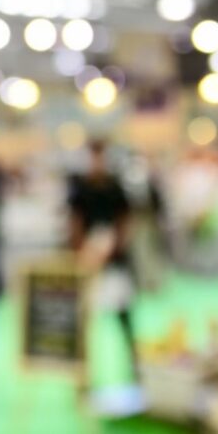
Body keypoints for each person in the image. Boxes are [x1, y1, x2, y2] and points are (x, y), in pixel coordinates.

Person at [68, 140, 138, 379]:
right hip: (89, 264)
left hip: (115, 263)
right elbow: (74, 222)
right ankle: (82, 372)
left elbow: (126, 219)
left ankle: (134, 365)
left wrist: (115, 245)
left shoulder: (115, 186)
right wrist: (84, 251)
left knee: (124, 314)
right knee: (85, 320)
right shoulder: (79, 188)